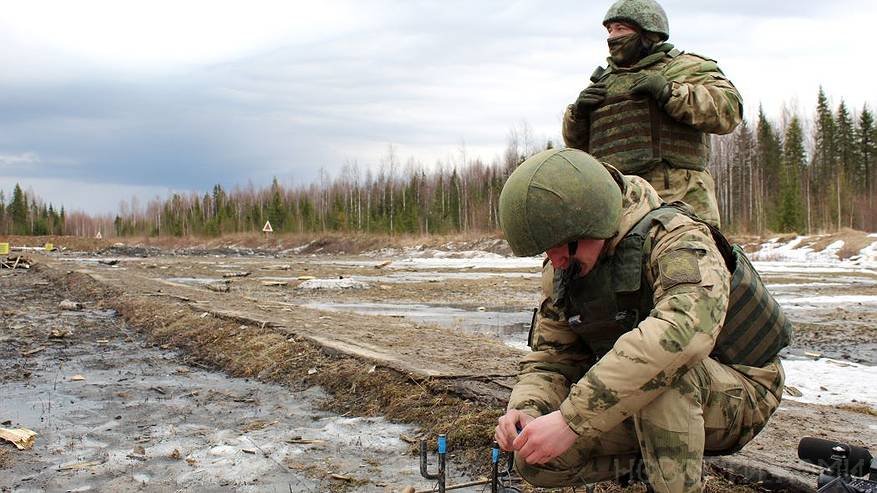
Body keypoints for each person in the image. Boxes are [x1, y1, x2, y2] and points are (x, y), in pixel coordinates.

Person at [494, 148, 789, 493]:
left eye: (559, 246)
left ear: (592, 220)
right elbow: (551, 360)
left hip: (741, 392)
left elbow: (680, 337)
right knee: (535, 457)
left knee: (663, 379)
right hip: (647, 397)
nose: (554, 260)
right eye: (546, 250)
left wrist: (571, 419)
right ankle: (656, 461)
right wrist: (528, 410)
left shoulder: (677, 238)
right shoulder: (565, 268)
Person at [562, 0, 743, 228]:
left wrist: (669, 92)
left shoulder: (686, 68)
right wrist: (577, 115)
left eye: (620, 28)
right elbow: (579, 151)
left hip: (679, 204)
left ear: (647, 31)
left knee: (684, 262)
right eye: (609, 30)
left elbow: (729, 109)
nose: (611, 37)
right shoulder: (603, 83)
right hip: (616, 205)